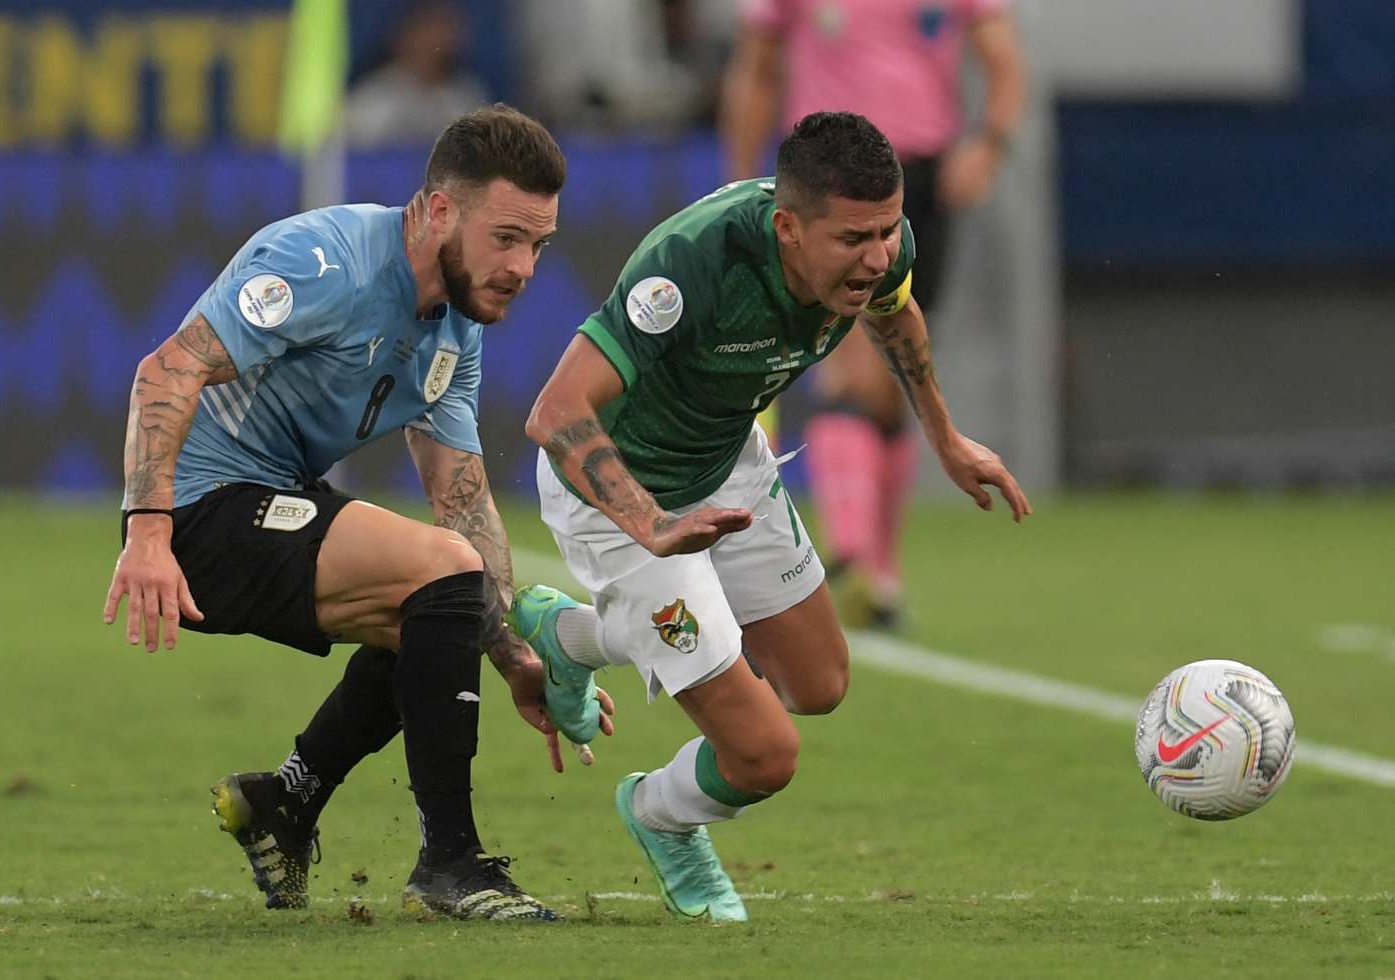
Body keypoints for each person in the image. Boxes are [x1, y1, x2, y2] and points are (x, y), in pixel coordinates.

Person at [508, 112, 1030, 922]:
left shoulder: (882, 249)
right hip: (618, 506)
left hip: (727, 467)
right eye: (855, 238)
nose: (879, 255)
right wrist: (649, 525)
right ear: (788, 228)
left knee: (819, 684)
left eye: (888, 232)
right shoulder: (690, 266)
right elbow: (556, 411)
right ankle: (660, 814)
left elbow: (896, 315)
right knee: (763, 756)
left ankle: (574, 638)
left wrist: (947, 437)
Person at [101, 105, 610, 921]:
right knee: (445, 573)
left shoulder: (455, 327)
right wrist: (149, 533)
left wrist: (512, 655)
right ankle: (450, 863)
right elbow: (165, 371)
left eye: (539, 245)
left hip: (272, 502)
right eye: (508, 238)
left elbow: (462, 496)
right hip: (198, 515)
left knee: (439, 606)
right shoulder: (320, 262)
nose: (524, 267)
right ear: (440, 209)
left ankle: (287, 801)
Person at [722, 0, 1026, 628]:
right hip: (826, 186)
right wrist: (737, 178)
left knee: (889, 384)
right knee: (853, 373)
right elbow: (756, 65)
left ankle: (880, 573)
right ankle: (849, 557)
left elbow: (1001, 54)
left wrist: (989, 145)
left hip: (919, 175)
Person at [344, 1, 492, 149]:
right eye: (428, 30)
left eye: (444, 30)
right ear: (405, 35)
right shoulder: (373, 98)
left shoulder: (465, 96)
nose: (435, 40)